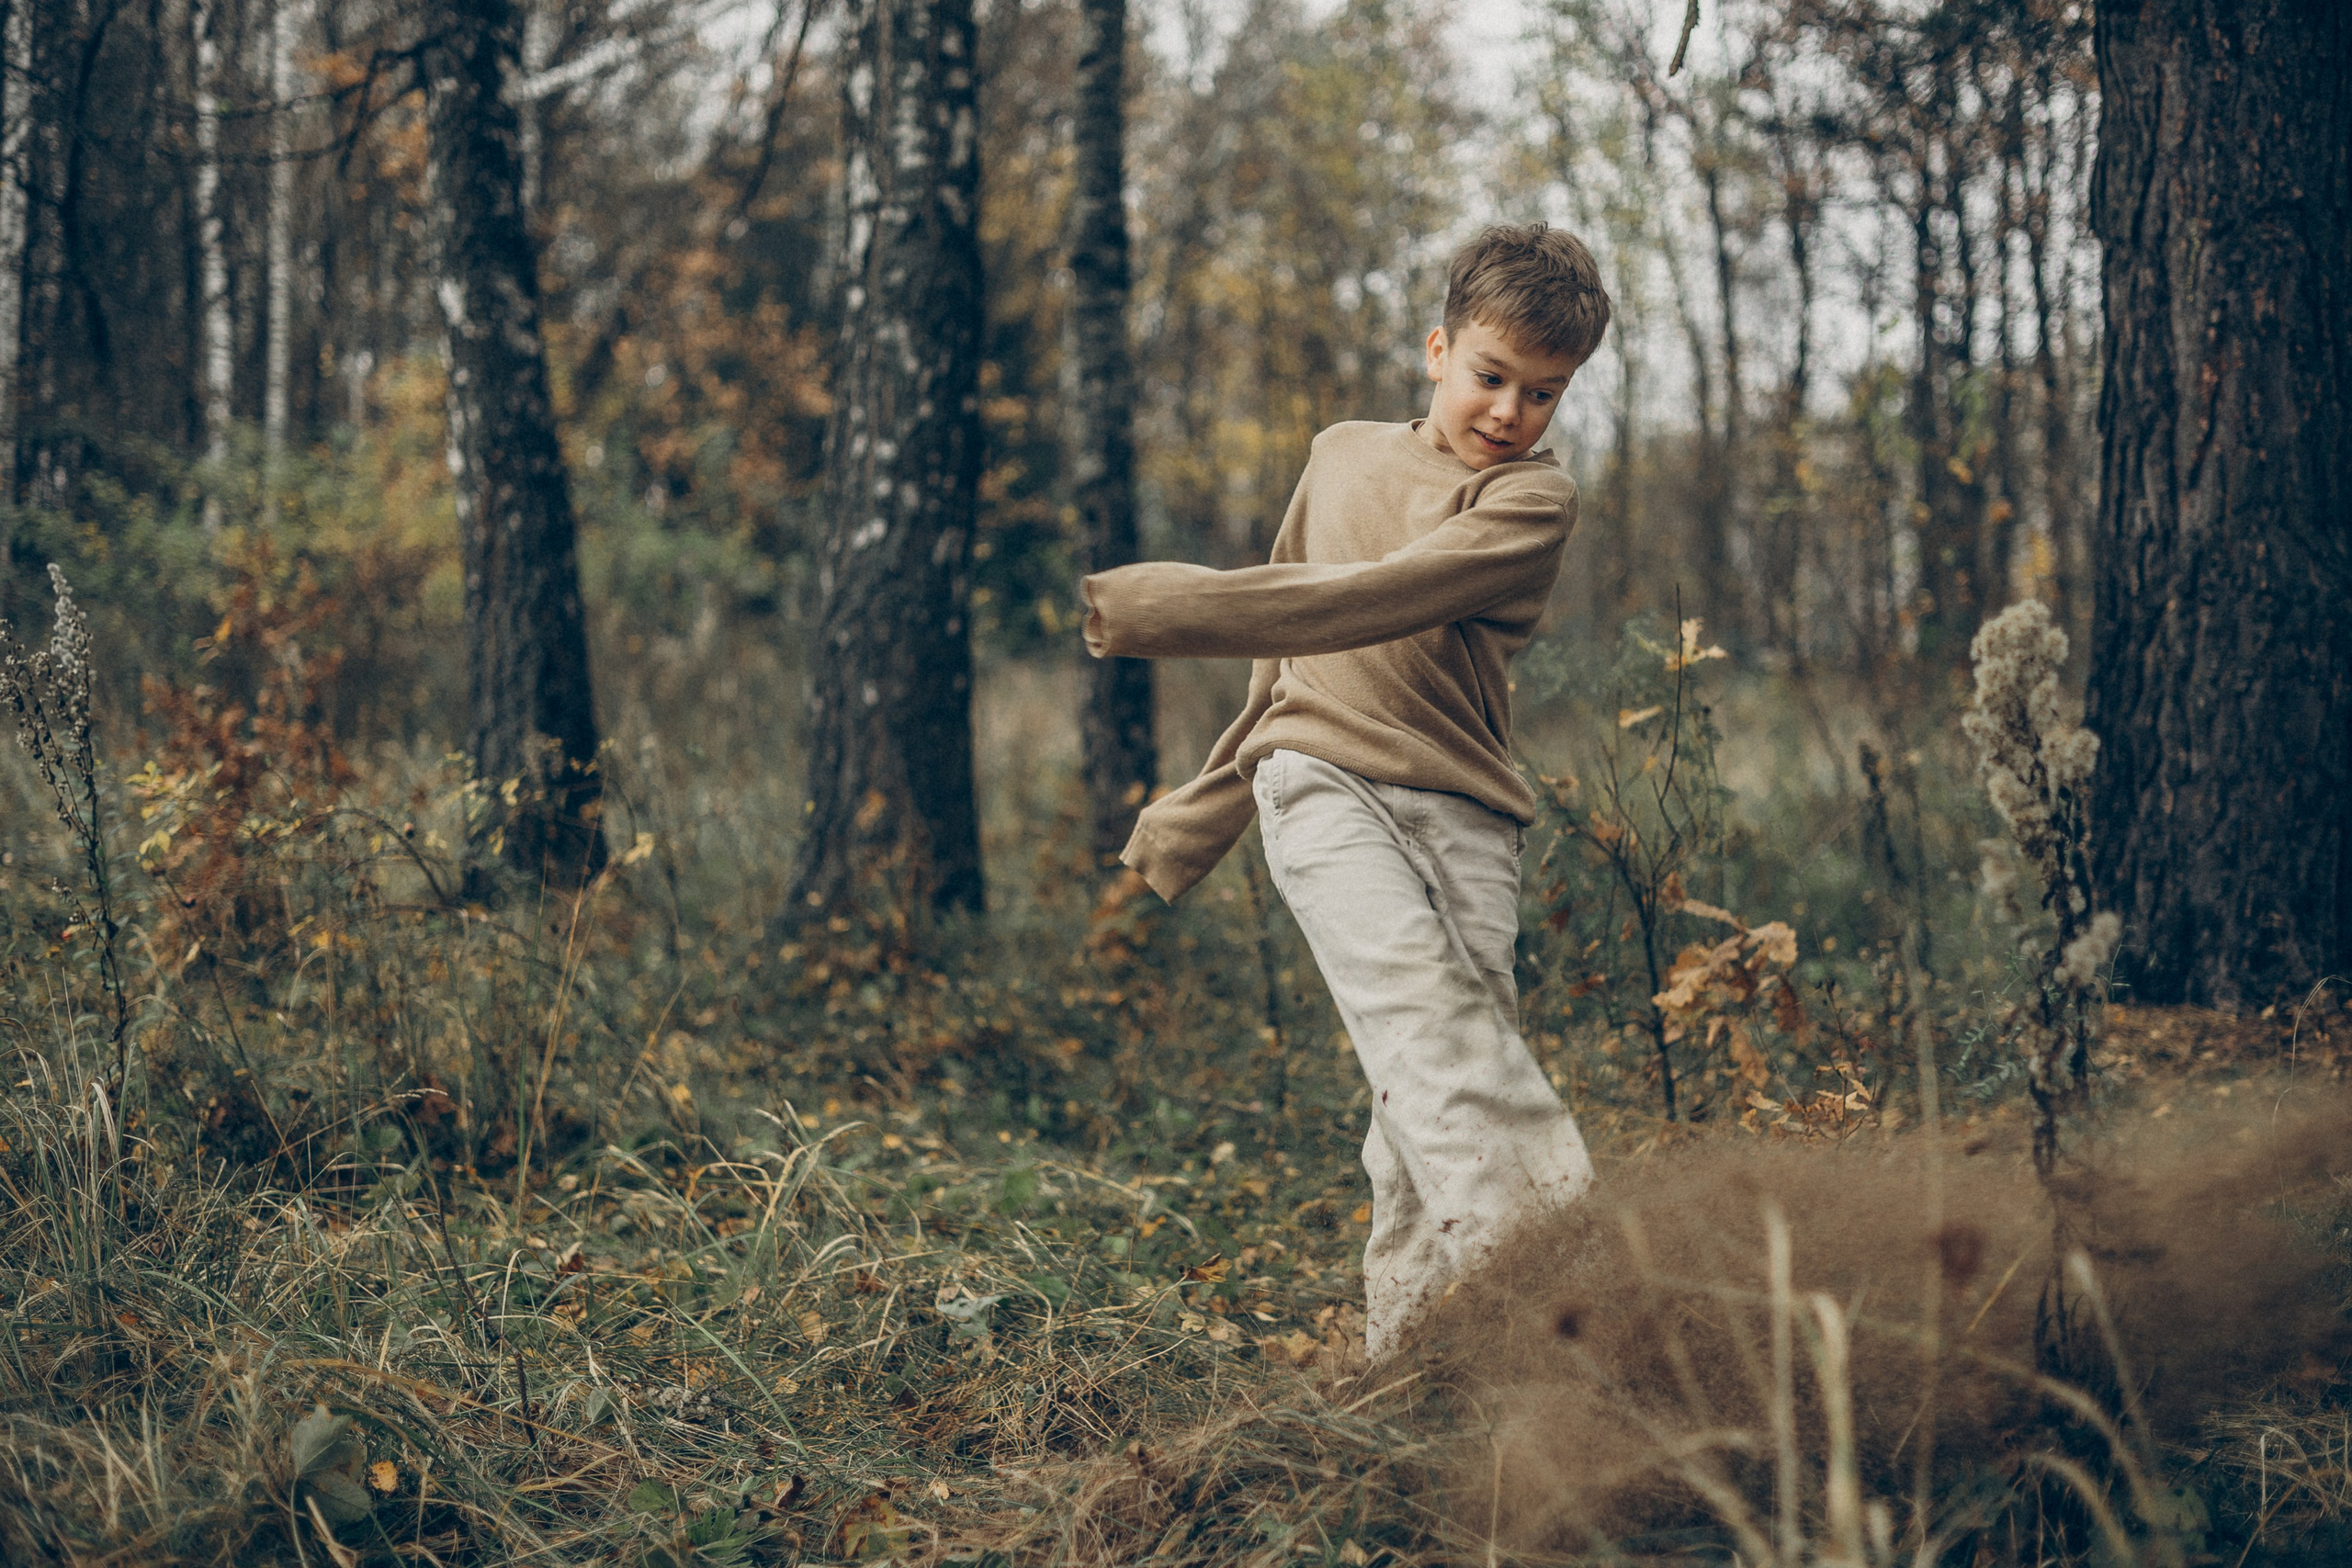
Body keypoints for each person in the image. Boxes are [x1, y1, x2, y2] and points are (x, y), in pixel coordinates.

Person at [1080, 222, 1613, 1362]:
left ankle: (1411, 1366)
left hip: (1467, 813)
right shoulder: (1339, 455)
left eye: (1543, 394)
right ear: (1436, 349)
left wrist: (1164, 609)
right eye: (1490, 377)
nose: (1510, 414)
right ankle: (1571, 1301)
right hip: (1319, 783)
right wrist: (1212, 803)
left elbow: (1367, 599)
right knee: (1424, 1022)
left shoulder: (1532, 502)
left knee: (1425, 1085)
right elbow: (1286, 658)